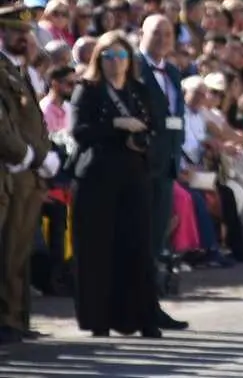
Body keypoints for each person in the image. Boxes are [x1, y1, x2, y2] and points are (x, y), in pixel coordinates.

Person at [68, 30, 162, 338]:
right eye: (108, 56)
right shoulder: (88, 89)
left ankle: (141, 318)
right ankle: (99, 320)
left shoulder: (138, 90)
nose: (115, 62)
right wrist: (115, 125)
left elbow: (155, 127)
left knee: (137, 247)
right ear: (99, 59)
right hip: (96, 177)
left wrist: (142, 139)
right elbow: (79, 131)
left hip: (134, 176)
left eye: (121, 56)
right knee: (98, 250)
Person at [0, 4, 60, 344]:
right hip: (15, 168)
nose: (25, 38)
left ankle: (17, 318)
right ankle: (7, 319)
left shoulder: (17, 69)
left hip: (28, 172)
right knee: (8, 251)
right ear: (2, 34)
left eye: (27, 33)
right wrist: (28, 155)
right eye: (17, 32)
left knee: (19, 250)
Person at [137, 14, 190, 329]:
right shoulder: (133, 69)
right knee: (139, 239)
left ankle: (150, 305)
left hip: (166, 168)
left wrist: (177, 158)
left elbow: (176, 119)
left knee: (156, 240)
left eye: (168, 33)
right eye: (156, 33)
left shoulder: (172, 71)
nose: (162, 39)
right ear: (142, 34)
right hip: (141, 168)